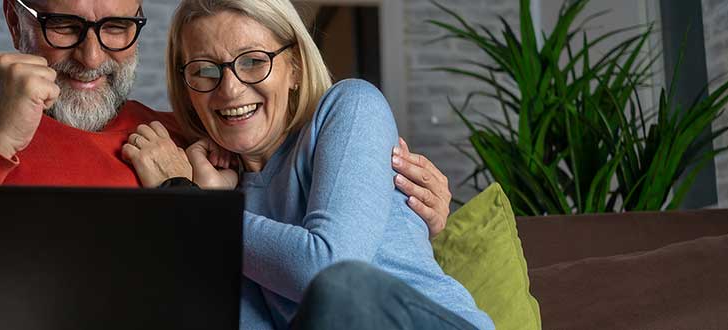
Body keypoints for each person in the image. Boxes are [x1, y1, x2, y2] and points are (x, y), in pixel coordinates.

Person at [0, 0, 457, 329]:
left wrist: (406, 213)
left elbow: (326, 264)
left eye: (116, 27)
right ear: (17, 20)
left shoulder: (179, 146)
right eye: (66, 25)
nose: (92, 54)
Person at [121, 0, 493, 329]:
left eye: (253, 62)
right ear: (186, 86)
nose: (230, 89)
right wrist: (214, 201)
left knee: (339, 287)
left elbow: (327, 271)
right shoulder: (223, 187)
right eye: (205, 70)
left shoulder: (350, 107)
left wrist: (191, 202)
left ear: (295, 68)